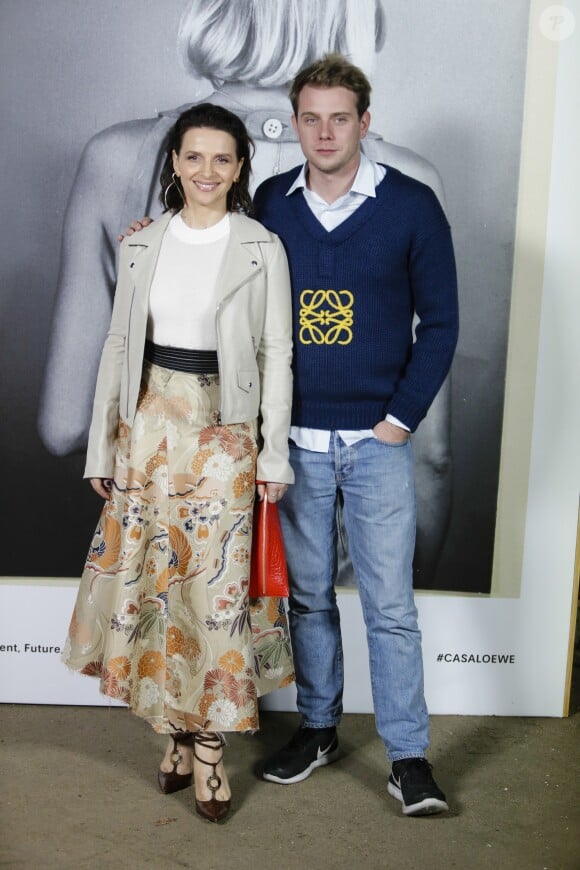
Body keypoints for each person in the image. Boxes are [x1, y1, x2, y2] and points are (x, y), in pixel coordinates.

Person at [38, 0, 451, 588]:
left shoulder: (116, 158)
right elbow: (430, 459)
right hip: (334, 550)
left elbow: (62, 427)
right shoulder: (408, 183)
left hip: (175, 545)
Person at [61, 103, 295, 824]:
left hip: (224, 438)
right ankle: (169, 732)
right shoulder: (142, 245)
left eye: (222, 159)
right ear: (173, 163)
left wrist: (273, 452)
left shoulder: (262, 246)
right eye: (193, 157)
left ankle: (210, 750)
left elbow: (277, 355)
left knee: (213, 596)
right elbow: (116, 347)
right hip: (148, 435)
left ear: (240, 168)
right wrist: (105, 444)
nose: (206, 171)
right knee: (156, 590)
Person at [251, 55, 459, 816]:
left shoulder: (411, 205)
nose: (326, 131)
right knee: (308, 600)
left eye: (341, 117)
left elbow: (440, 324)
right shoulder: (272, 202)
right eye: (312, 117)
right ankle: (317, 728)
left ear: (365, 122)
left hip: (378, 442)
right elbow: (219, 268)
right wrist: (153, 238)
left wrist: (398, 420)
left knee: (390, 607)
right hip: (295, 441)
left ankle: (408, 757)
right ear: (297, 122)